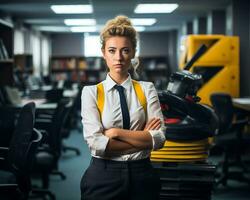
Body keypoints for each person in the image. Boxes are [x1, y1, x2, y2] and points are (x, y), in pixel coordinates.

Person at [80, 15, 166, 200]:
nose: (118, 57)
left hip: (142, 174)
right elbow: (96, 144)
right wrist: (144, 139)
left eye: (125, 50)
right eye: (112, 50)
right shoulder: (91, 92)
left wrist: (116, 133)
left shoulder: (146, 89)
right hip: (103, 175)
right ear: (103, 52)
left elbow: (159, 139)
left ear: (134, 52)